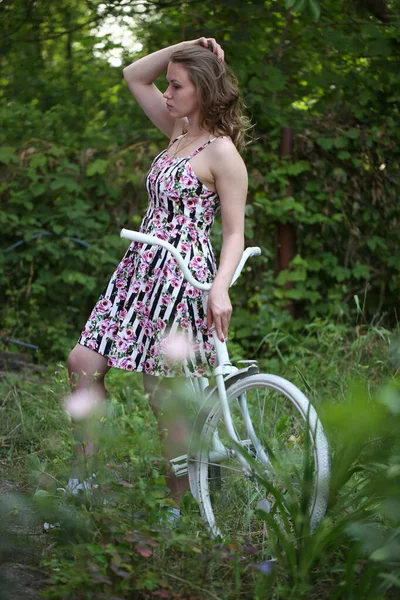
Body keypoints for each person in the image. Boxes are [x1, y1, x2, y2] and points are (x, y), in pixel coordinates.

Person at [67, 37, 249, 505]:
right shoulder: (176, 130)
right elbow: (132, 74)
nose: (166, 94)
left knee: (164, 399)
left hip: (181, 277)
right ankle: (82, 481)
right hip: (138, 269)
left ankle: (177, 506)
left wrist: (220, 288)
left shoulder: (222, 153)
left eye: (176, 86)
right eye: (167, 85)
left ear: (203, 91)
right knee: (83, 363)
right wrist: (188, 45)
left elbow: (233, 234)